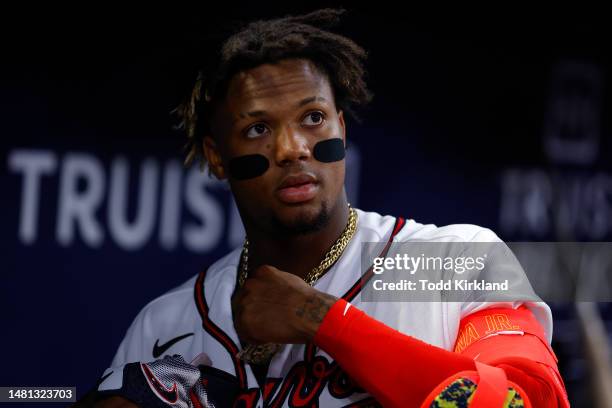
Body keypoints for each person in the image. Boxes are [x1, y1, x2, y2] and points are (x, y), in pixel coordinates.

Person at [80, 9, 569, 408]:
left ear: (341, 128)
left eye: (312, 119)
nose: (292, 148)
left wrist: (321, 318)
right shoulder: (166, 324)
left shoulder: (452, 261)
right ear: (216, 156)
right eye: (257, 129)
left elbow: (526, 398)